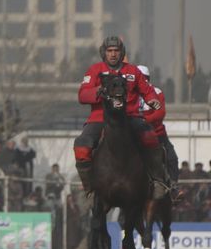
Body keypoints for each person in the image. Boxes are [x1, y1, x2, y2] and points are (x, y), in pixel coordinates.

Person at [73, 35, 168, 198]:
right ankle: (89, 189)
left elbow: (147, 90)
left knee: (150, 137)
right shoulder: (95, 70)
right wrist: (98, 90)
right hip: (99, 118)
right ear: (104, 52)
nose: (113, 54)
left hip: (130, 116)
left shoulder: (133, 71)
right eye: (110, 51)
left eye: (116, 50)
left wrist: (152, 100)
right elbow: (82, 95)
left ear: (121, 52)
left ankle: (158, 181)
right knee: (82, 144)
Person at [137, 65, 180, 199]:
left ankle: (173, 187)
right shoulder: (129, 94)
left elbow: (160, 113)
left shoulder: (157, 92)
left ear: (148, 79)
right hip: (135, 134)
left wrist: (143, 120)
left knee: (172, 157)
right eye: (139, 78)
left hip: (157, 134)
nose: (142, 81)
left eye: (144, 78)